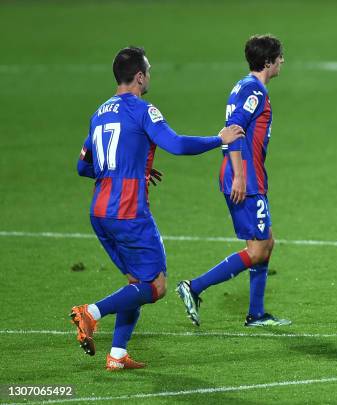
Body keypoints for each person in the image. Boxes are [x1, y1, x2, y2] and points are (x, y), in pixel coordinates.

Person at [71, 46, 244, 370]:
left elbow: (83, 167)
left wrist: (131, 168)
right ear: (139, 76)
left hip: (100, 212)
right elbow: (176, 144)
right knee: (155, 286)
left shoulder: (100, 113)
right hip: (128, 212)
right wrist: (218, 138)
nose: (149, 76)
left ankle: (118, 355)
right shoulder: (143, 110)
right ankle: (91, 313)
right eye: (148, 71)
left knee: (136, 281)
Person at [176, 35, 291, 327]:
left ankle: (256, 313)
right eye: (279, 57)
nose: (282, 61)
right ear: (267, 62)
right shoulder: (255, 91)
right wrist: (240, 175)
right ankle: (195, 286)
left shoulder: (244, 85)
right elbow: (234, 128)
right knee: (257, 249)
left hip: (247, 173)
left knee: (266, 243)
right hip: (245, 177)